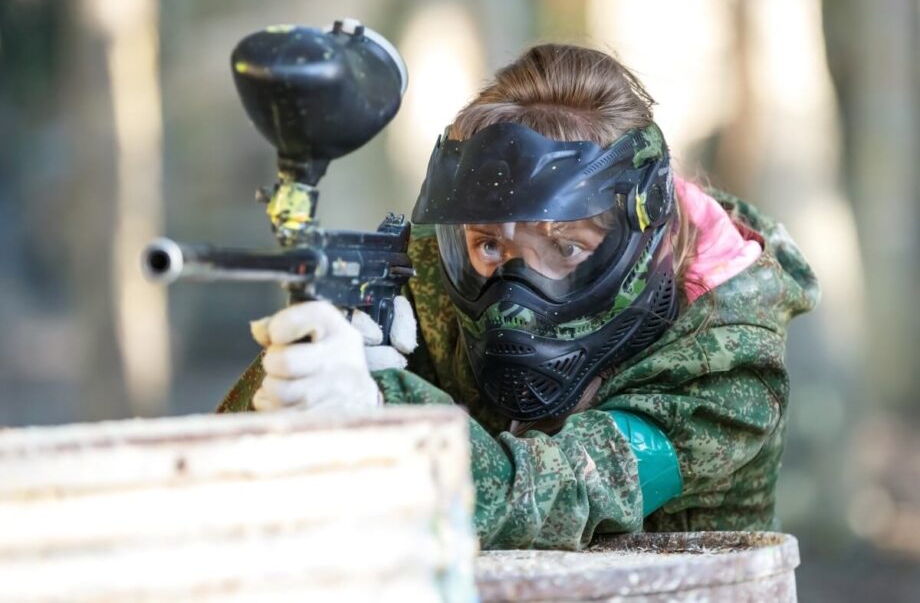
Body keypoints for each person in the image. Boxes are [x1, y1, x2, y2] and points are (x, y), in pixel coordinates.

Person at [218, 44, 820, 550]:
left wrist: (380, 408)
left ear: (637, 239)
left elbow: (556, 497)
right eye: (489, 246)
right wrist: (306, 371)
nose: (514, 294)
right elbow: (224, 478)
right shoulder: (435, 271)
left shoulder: (729, 371)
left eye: (566, 249)